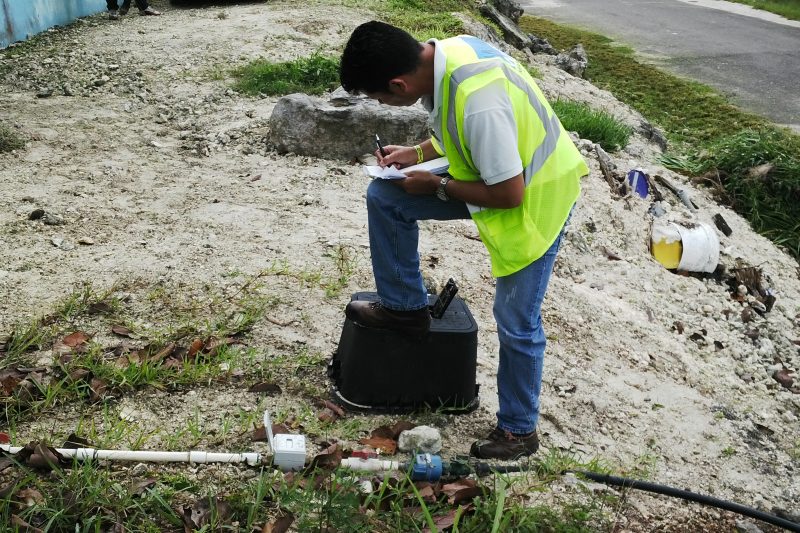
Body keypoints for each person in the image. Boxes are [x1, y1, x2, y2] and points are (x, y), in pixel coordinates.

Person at [339, 21, 589, 460]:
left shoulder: (479, 102)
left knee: (516, 318)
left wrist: (434, 187)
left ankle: (519, 430)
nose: (384, 103)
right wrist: (414, 155)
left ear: (399, 84)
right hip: (498, 177)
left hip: (537, 195)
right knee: (385, 195)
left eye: (381, 98)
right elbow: (455, 134)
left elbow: (509, 195)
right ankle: (403, 309)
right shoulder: (447, 52)